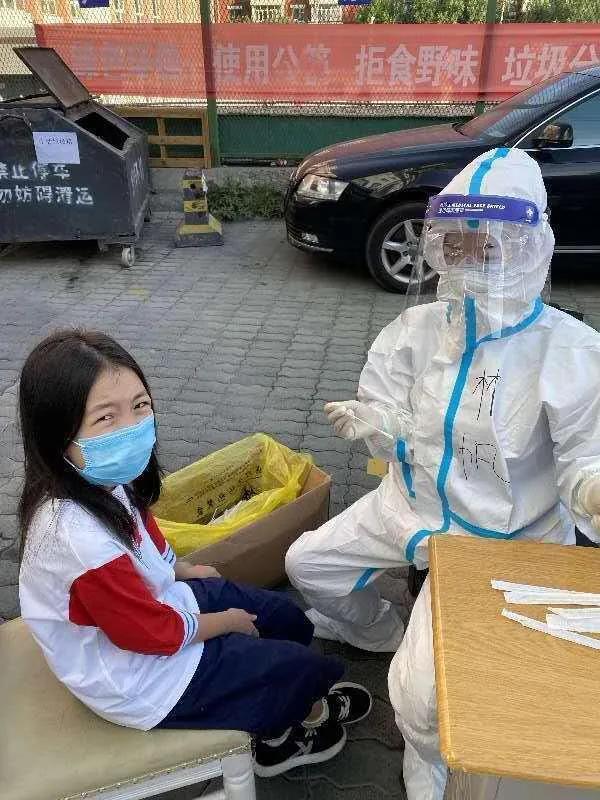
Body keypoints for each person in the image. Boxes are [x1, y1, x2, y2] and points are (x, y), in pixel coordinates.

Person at [285, 147, 600, 798]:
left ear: (529, 248)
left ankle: (430, 759)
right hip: (407, 506)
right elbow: (393, 414)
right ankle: (382, 631)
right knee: (307, 566)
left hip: (500, 543)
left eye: (489, 245)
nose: (469, 258)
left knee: (420, 697)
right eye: (456, 243)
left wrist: (593, 490)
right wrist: (374, 422)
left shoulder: (572, 354)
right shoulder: (416, 329)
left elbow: (584, 461)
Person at [17, 329, 373, 778]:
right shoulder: (75, 540)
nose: (132, 428)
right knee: (295, 668)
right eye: (105, 417)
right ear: (56, 435)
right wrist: (226, 622)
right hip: (141, 677)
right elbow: (151, 635)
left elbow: (145, 533)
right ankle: (291, 729)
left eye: (140, 406)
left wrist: (182, 569)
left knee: (283, 617)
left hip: (159, 605)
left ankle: (289, 693)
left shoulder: (100, 479)